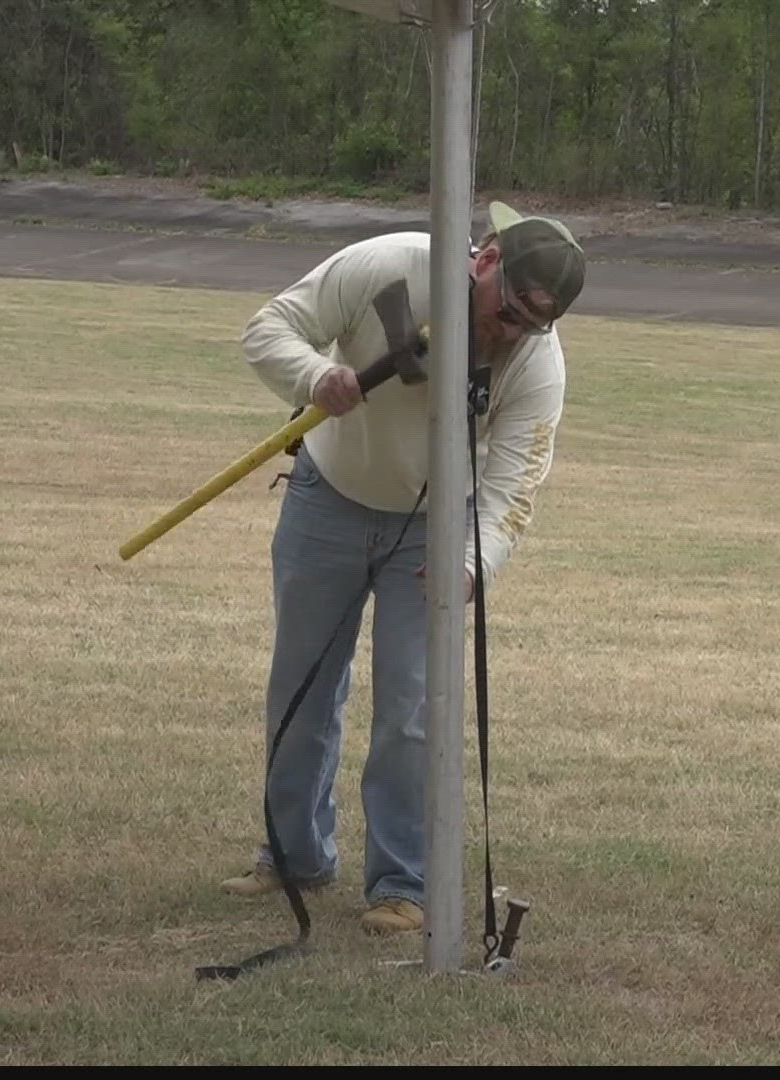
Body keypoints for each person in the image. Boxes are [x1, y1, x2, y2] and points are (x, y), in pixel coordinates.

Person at [220, 201, 585, 936]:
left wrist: (473, 564)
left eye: (527, 325)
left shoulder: (536, 363)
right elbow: (268, 331)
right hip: (328, 497)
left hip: (436, 529)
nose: (505, 331)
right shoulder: (388, 265)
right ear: (483, 259)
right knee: (300, 689)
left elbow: (514, 484)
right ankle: (292, 856)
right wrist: (314, 376)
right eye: (504, 309)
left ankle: (401, 883)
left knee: (411, 713)